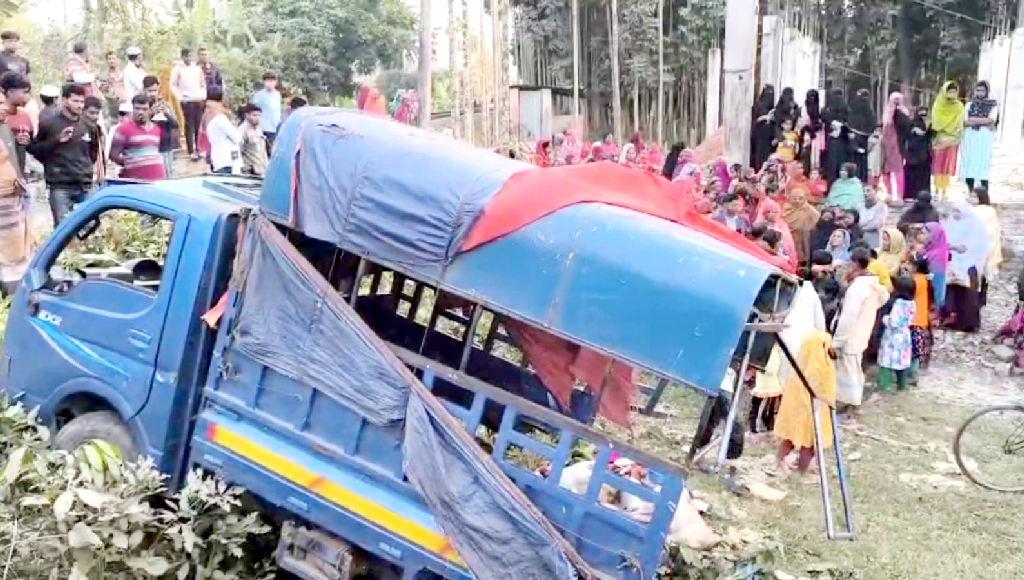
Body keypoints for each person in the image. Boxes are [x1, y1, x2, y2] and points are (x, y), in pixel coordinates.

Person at [28, 83, 99, 225]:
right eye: (75, 101)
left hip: (85, 185)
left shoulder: (89, 126)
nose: (79, 105)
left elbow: (93, 153)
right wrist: (57, 141)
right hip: (60, 187)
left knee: (90, 229)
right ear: (64, 100)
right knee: (63, 231)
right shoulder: (49, 124)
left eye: (81, 101)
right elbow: (35, 150)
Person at [832, 247, 889, 411]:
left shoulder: (856, 289)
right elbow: (884, 297)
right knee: (855, 367)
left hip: (851, 335)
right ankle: (854, 400)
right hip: (864, 329)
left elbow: (847, 318)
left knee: (848, 369)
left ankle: (850, 401)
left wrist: (837, 342)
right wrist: (870, 311)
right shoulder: (874, 284)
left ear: (856, 264)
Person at [774, 329, 836, 475]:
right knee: (809, 443)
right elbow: (828, 393)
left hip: (795, 412)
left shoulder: (799, 367)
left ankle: (779, 460)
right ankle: (804, 469)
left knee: (789, 438)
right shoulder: (824, 368)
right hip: (814, 413)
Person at [942, 200, 991, 332]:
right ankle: (953, 319)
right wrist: (952, 247)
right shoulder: (950, 224)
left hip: (970, 264)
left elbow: (980, 244)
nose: (956, 214)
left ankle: (969, 323)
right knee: (954, 291)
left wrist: (966, 249)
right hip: (954, 262)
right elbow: (944, 241)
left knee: (969, 295)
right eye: (954, 211)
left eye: (958, 211)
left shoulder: (975, 225)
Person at [0, 90, 31, 295]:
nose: (5, 107)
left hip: (12, 198)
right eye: (0, 103)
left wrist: (18, 180)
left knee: (18, 248)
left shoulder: (4, 128)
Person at [109, 94, 165, 180]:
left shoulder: (156, 129)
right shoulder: (123, 129)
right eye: (137, 108)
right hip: (136, 181)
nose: (140, 112)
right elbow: (113, 154)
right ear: (132, 109)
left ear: (150, 110)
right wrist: (131, 164)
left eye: (144, 109)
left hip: (157, 179)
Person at [877, 276, 916, 392]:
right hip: (905, 335)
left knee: (886, 361)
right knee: (902, 363)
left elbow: (893, 322)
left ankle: (884, 385)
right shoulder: (912, 303)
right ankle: (901, 385)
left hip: (892, 337)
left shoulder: (897, 303)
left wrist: (884, 318)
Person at [961, 81, 999, 192]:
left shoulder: (992, 105)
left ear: (987, 91)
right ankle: (970, 190)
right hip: (970, 137)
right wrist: (983, 121)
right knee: (969, 163)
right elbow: (965, 121)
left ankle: (984, 193)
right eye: (978, 90)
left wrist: (974, 120)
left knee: (983, 163)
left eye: (982, 90)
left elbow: (991, 119)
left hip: (984, 138)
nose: (980, 93)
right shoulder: (969, 104)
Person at [171, 48, 206, 162]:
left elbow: (202, 83)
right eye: (187, 56)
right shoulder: (178, 69)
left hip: (198, 99)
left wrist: (203, 96)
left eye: (190, 56)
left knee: (198, 125)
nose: (189, 58)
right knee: (189, 125)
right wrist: (180, 97)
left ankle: (199, 148)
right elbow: (173, 85)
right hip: (186, 100)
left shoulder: (197, 69)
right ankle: (191, 150)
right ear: (183, 56)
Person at [930, 82, 965, 198]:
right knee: (937, 164)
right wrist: (944, 129)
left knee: (947, 165)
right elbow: (936, 121)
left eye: (954, 91)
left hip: (952, 139)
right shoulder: (938, 104)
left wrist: (952, 131)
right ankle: (936, 189)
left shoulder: (959, 106)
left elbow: (960, 121)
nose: (952, 94)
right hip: (939, 138)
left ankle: (944, 190)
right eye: (950, 91)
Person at [142, 76, 179, 178]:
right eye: (149, 91)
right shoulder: (141, 106)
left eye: (154, 90)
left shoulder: (165, 104)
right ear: (144, 90)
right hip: (149, 147)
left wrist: (166, 113)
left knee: (167, 175)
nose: (152, 94)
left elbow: (175, 124)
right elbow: (138, 124)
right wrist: (151, 113)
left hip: (165, 145)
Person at [970, 186, 1001, 305]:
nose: (972, 199)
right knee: (984, 272)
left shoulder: (979, 211)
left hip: (980, 246)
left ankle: (977, 297)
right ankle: (982, 297)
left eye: (974, 196)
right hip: (988, 246)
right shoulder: (991, 211)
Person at [0, 72, 33, 172]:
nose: (28, 97)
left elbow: (32, 147)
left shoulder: (24, 116)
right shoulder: (2, 117)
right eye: (24, 92)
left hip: (17, 176)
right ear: (10, 92)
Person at [203, 86, 241, 174]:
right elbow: (237, 138)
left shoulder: (208, 114)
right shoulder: (220, 117)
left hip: (218, 159)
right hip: (227, 160)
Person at [880, 92, 910, 201]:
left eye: (898, 99)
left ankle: (899, 194)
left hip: (899, 144)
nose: (896, 102)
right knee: (886, 169)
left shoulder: (903, 112)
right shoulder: (887, 112)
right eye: (894, 99)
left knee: (898, 170)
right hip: (886, 143)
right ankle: (889, 193)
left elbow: (906, 127)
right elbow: (884, 127)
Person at [754, 197, 797, 267]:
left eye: (778, 212)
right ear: (766, 213)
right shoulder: (759, 226)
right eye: (774, 212)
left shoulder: (782, 225)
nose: (777, 214)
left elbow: (788, 244)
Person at [782, 185, 820, 264]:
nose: (797, 201)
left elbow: (817, 218)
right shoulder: (786, 209)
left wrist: (808, 208)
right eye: (794, 198)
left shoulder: (808, 209)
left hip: (804, 237)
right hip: (790, 237)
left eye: (800, 198)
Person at [902, 106, 933, 201]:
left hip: (925, 155)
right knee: (912, 175)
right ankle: (910, 195)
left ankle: (924, 195)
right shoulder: (911, 124)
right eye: (921, 114)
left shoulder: (929, 124)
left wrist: (928, 128)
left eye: (925, 114)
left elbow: (930, 136)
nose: (923, 116)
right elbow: (906, 136)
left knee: (924, 176)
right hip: (913, 155)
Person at [910, 258, 934, 374]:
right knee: (918, 347)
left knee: (911, 347)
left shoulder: (915, 280)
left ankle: (910, 373)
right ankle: (916, 370)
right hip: (923, 318)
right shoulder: (926, 280)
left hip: (913, 318)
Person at [821, 88, 849, 184]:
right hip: (842, 142)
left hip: (831, 140)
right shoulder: (845, 108)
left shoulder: (827, 109)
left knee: (832, 165)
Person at [252, 73, 282, 153]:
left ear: (276, 82)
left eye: (272, 81)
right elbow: (253, 110)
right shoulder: (259, 96)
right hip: (263, 128)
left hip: (275, 128)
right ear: (263, 82)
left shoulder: (277, 95)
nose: (270, 84)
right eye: (267, 81)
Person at [238, 104, 269, 176]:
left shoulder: (259, 128)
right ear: (247, 115)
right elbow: (239, 150)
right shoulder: (242, 130)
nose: (257, 118)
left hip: (262, 169)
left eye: (259, 116)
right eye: (254, 115)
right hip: (251, 171)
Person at [751, 85, 776, 170]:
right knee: (758, 156)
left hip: (768, 137)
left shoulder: (773, 108)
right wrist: (764, 118)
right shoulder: (758, 106)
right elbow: (754, 121)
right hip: (759, 136)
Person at [83, 96, 106, 182]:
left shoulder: (97, 129)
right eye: (91, 113)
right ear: (83, 111)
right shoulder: (76, 129)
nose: (95, 117)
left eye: (97, 113)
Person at [97, 51, 123, 118]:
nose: (112, 61)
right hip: (110, 106)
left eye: (114, 59)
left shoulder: (124, 74)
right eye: (109, 59)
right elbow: (101, 92)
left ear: (118, 60)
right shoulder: (103, 76)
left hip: (124, 104)